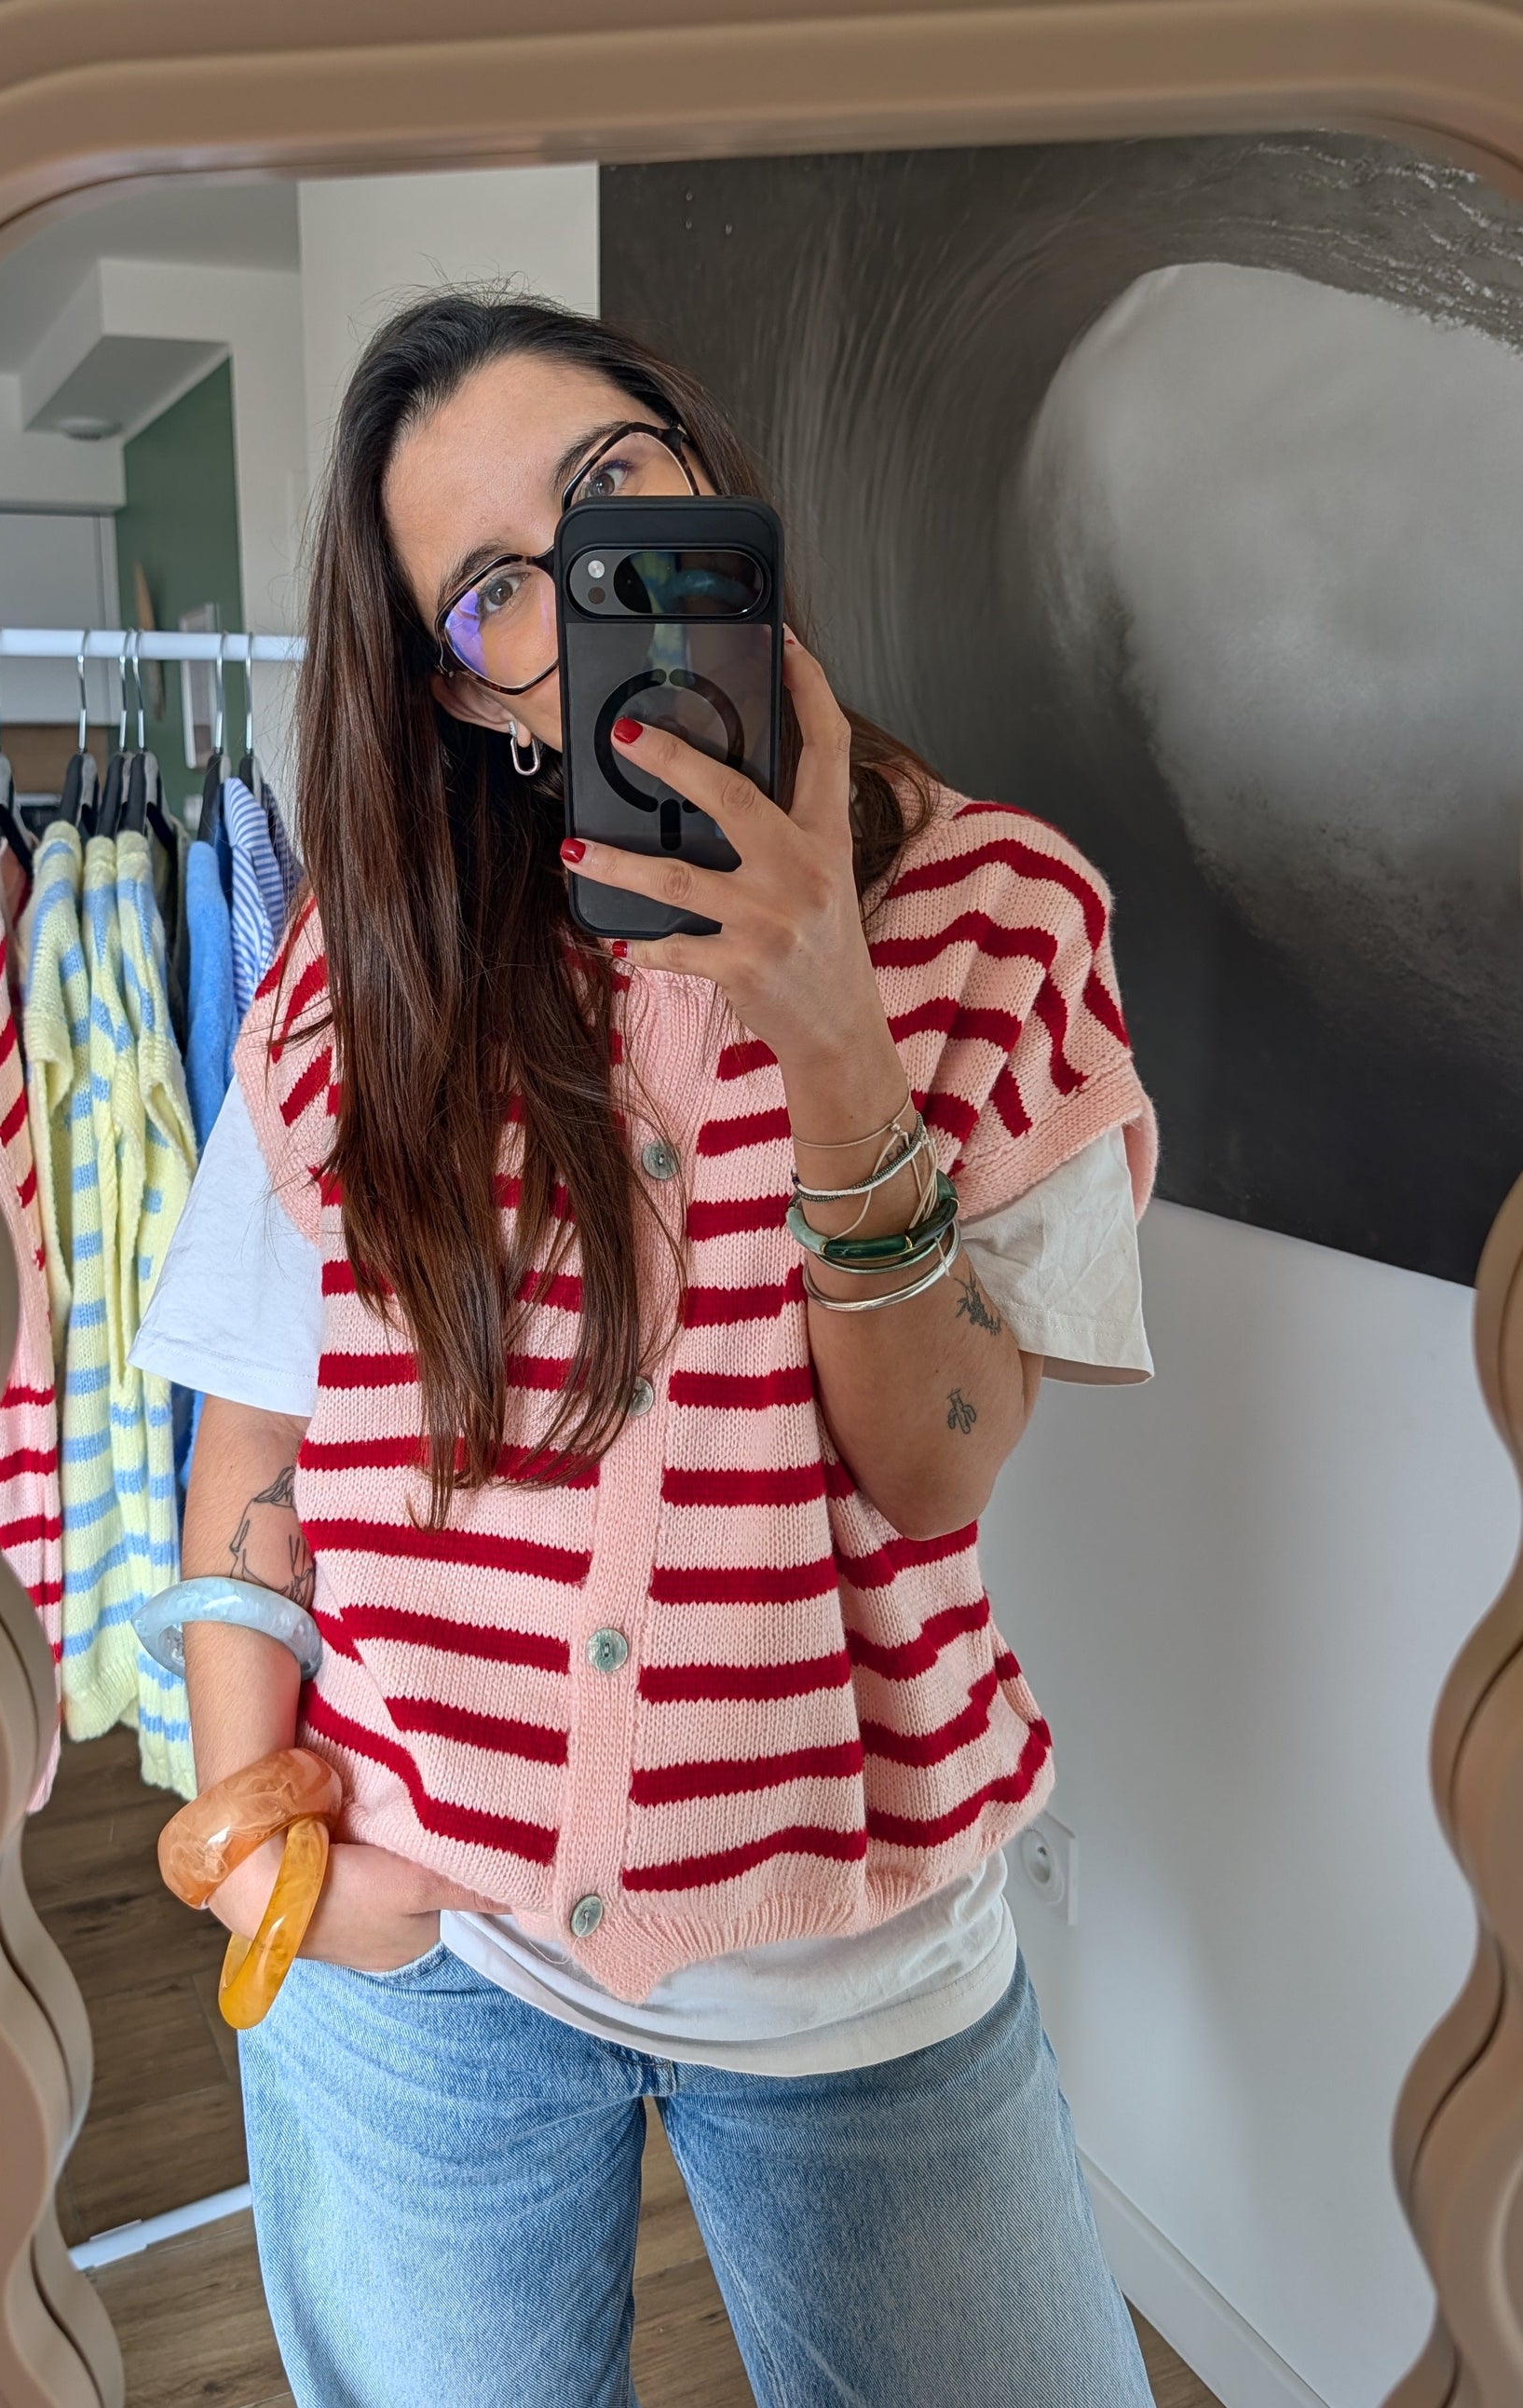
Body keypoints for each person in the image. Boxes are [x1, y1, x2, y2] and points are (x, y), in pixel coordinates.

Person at [130, 291, 1160, 2408]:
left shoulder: (1002, 914)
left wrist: (835, 1029)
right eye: (494, 587)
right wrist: (259, 1842)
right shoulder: (362, 967)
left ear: (707, 486)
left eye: (612, 492)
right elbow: (255, 1442)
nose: (584, 586)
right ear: (470, 691)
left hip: (852, 1970)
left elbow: (939, 1463)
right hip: (419, 1957)